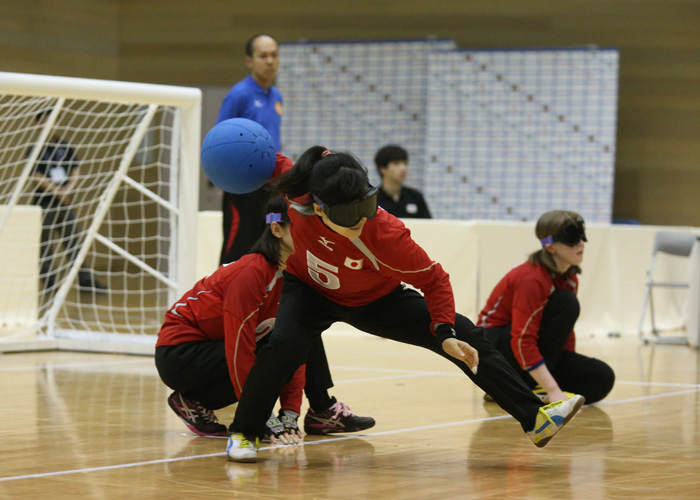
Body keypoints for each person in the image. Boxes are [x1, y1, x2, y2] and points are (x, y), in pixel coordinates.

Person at [226, 147, 585, 462]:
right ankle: (245, 432)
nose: (363, 217)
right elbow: (258, 154)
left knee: (467, 336)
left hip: (376, 300)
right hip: (308, 291)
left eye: (366, 204)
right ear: (318, 207)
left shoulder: (385, 234)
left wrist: (443, 331)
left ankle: (536, 419)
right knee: (282, 347)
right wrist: (236, 145)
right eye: (350, 213)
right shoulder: (298, 193)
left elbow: (434, 280)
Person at [155, 195, 374, 444]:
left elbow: (296, 349)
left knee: (301, 332)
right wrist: (261, 416)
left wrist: (289, 414)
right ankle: (196, 399)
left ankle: (195, 400)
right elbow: (240, 351)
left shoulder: (296, 274)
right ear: (277, 229)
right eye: (303, 227)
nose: (313, 234)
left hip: (219, 349)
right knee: (268, 357)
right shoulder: (251, 274)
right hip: (180, 354)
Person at [477, 210, 615, 405]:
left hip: (523, 350)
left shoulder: (569, 277)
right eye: (571, 239)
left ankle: (514, 387)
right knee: (566, 302)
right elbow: (522, 339)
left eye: (581, 237)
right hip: (493, 349)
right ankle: (510, 384)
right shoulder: (532, 279)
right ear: (550, 247)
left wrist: (567, 362)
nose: (581, 244)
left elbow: (562, 332)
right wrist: (553, 389)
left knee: (601, 378)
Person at [217, 33, 283, 265]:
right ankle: (223, 297)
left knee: (266, 243)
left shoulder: (276, 95)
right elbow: (219, 139)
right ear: (249, 61)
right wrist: (220, 179)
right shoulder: (239, 95)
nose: (269, 61)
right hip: (243, 185)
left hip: (270, 184)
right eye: (263, 55)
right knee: (238, 245)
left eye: (274, 55)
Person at [29, 109, 106, 292]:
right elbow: (35, 175)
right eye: (45, 122)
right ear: (38, 126)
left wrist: (69, 189)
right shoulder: (35, 149)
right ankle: (50, 285)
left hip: (65, 202)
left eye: (53, 122)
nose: (50, 126)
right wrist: (57, 191)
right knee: (44, 246)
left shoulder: (64, 146)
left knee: (74, 243)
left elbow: (75, 169)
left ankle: (86, 282)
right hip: (44, 203)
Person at [374, 144, 431, 219]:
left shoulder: (415, 197)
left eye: (405, 163)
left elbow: (428, 225)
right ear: (382, 168)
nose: (403, 168)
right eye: (396, 163)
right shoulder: (374, 199)